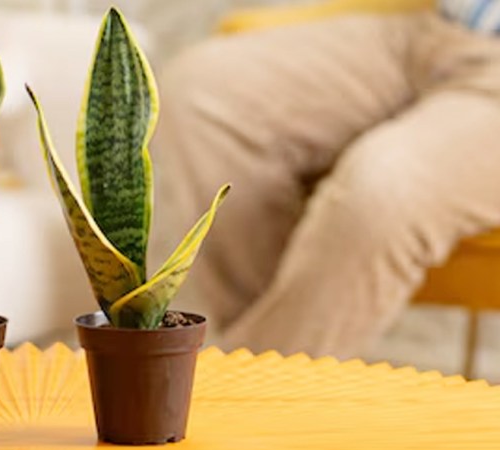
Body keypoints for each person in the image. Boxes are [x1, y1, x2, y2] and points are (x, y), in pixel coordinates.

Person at [150, 1, 500, 358]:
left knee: (385, 188)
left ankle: (264, 394)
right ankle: (267, 364)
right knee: (201, 93)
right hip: (439, 29)